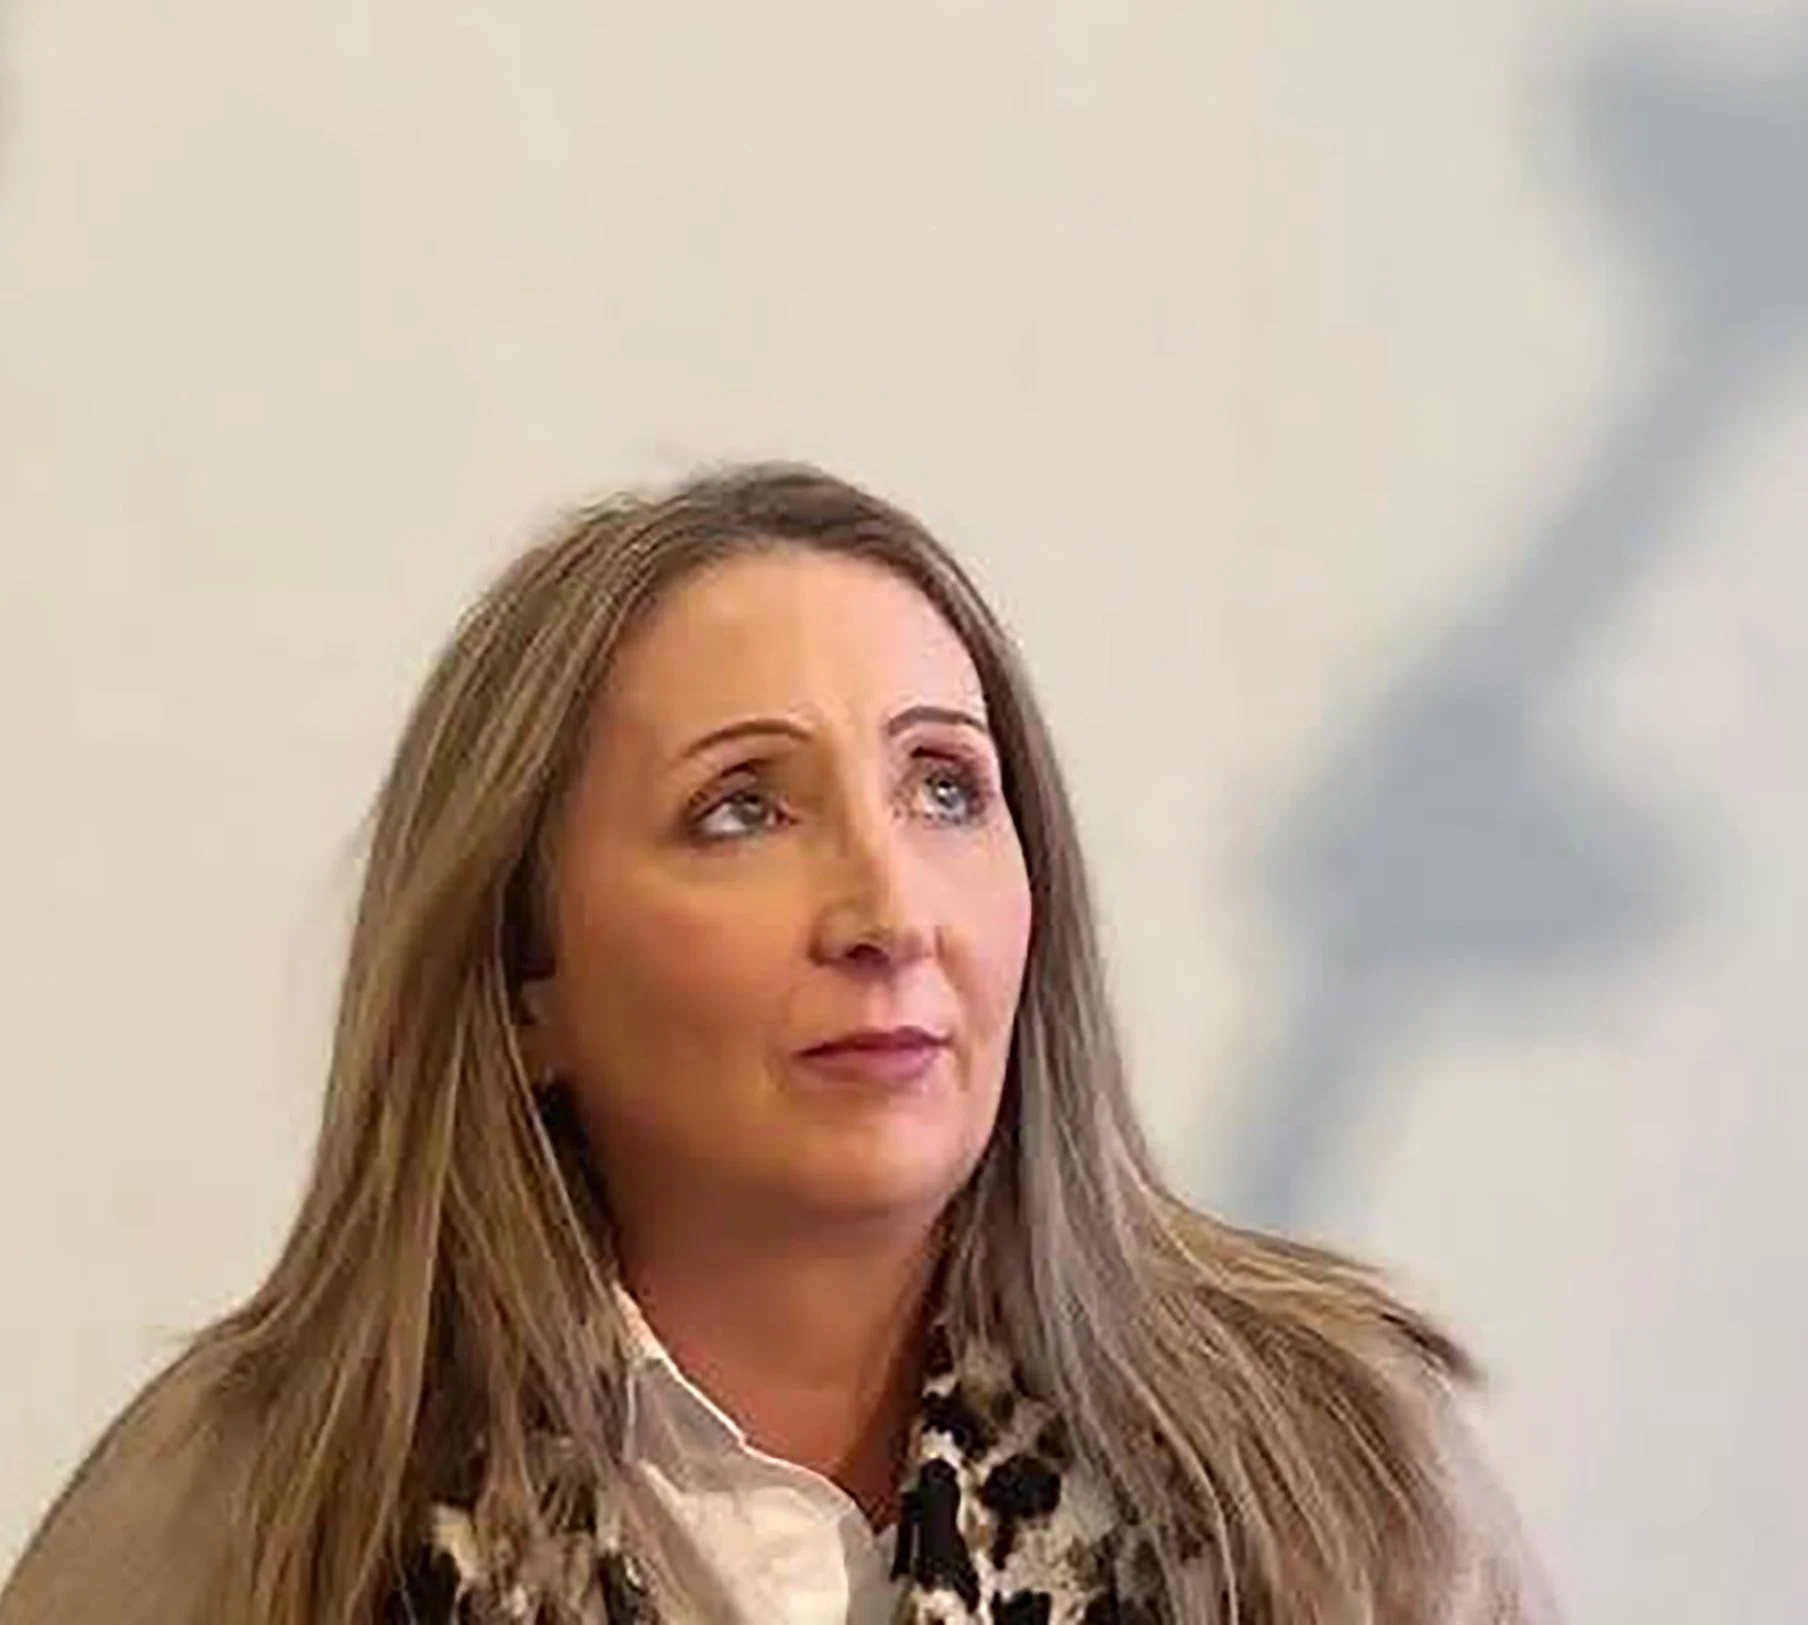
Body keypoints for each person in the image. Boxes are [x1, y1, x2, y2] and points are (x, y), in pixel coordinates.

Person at [0, 463, 1560, 1624]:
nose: (890, 909)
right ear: (524, 978)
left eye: (946, 788)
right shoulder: (257, 1509)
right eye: (742, 809)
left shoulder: (1331, 1464)